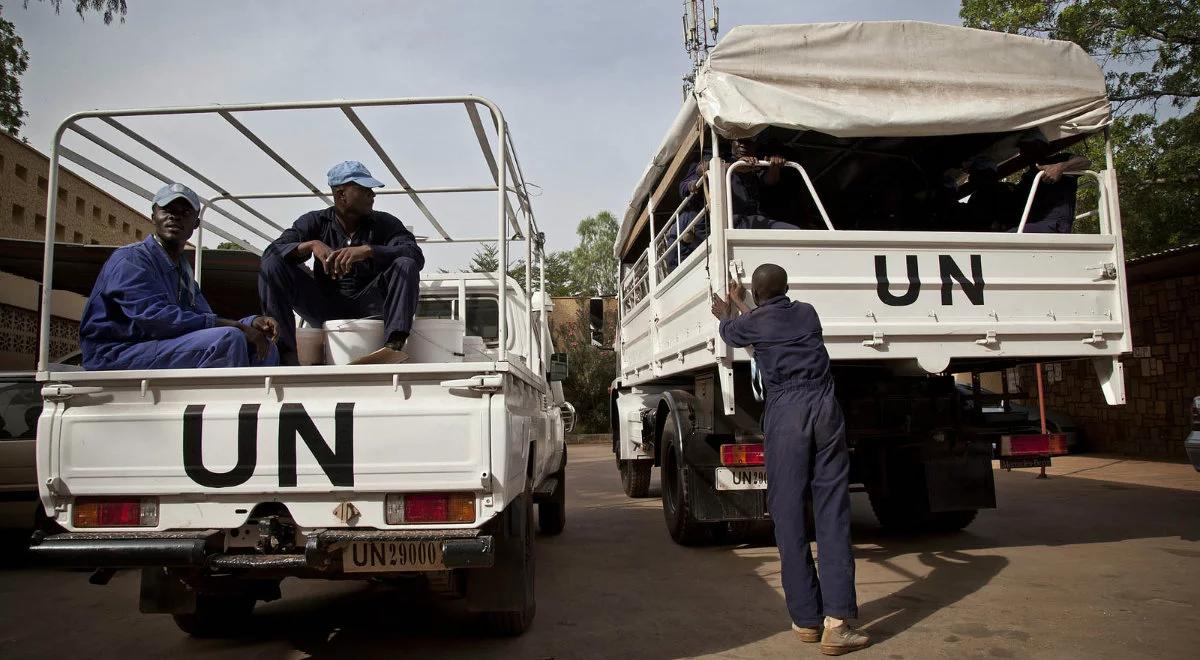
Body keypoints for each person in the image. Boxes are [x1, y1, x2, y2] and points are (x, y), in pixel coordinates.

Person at [710, 264, 868, 656]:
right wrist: (745, 301)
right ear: (788, 288)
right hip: (825, 408)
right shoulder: (808, 313)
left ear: (756, 294)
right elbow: (772, 321)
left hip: (786, 413)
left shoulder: (753, 323)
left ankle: (806, 620)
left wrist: (729, 308)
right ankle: (838, 623)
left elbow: (732, 331)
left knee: (788, 513)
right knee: (832, 513)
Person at [80, 183, 280, 370]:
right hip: (115, 352)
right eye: (167, 210)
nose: (174, 217)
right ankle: (224, 404)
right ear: (153, 216)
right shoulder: (131, 260)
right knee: (228, 339)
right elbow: (156, 320)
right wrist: (237, 327)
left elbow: (201, 317)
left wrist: (250, 323)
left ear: (196, 223)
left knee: (264, 344)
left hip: (154, 346)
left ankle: (255, 404)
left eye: (184, 213)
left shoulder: (182, 271)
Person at [259, 161, 424, 365]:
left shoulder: (385, 223)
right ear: (341, 194)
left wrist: (369, 251)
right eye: (364, 189)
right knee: (273, 265)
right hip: (324, 305)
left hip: (370, 305)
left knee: (406, 263)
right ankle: (285, 354)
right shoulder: (314, 221)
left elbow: (415, 254)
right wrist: (311, 245)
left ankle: (394, 345)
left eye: (371, 190)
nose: (372, 195)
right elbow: (270, 253)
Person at [1012, 129, 1091, 233]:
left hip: (1054, 224)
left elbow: (1085, 162)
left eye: (1027, 146)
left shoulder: (1058, 160)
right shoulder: (1028, 175)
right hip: (1031, 223)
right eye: (1022, 147)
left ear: (1041, 146)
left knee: (1005, 237)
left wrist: (1060, 167)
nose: (1022, 152)